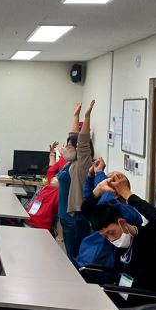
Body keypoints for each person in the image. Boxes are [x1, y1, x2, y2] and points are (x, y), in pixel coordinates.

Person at [82, 174, 156, 306]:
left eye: (111, 232)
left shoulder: (147, 237)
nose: (111, 239)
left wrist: (126, 193)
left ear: (122, 222)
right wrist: (99, 188)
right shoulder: (119, 239)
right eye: (105, 236)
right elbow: (86, 210)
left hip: (141, 297)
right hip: (121, 291)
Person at [58, 100, 95, 260]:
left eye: (69, 146)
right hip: (66, 218)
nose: (65, 148)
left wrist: (86, 117)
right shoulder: (71, 162)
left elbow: (82, 142)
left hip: (75, 220)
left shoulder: (82, 164)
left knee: (75, 260)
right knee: (70, 256)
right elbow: (72, 137)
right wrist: (75, 116)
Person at [24, 141, 67, 233]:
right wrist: (52, 152)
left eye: (66, 146)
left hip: (39, 226)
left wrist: (64, 156)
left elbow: (64, 170)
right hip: (30, 220)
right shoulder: (50, 183)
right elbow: (51, 169)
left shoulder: (61, 187)